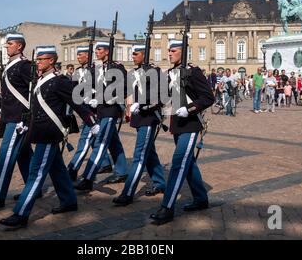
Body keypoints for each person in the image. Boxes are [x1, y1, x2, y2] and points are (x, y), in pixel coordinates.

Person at [0, 46, 99, 230]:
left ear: (51, 60)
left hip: (49, 132)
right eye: (37, 59)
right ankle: (68, 200)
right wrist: (25, 122)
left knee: (36, 173)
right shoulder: (40, 80)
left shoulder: (59, 81)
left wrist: (92, 121)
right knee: (57, 168)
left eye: (41, 59)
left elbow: (76, 101)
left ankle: (21, 213)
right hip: (40, 131)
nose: (38, 62)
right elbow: (34, 106)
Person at [150, 40, 214, 225]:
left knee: (178, 163)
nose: (169, 53)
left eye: (173, 50)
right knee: (189, 163)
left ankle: (167, 207)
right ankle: (201, 199)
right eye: (168, 50)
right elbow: (165, 98)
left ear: (183, 52)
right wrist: (145, 105)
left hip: (191, 124)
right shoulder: (170, 73)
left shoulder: (193, 72)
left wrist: (191, 108)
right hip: (177, 124)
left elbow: (208, 97)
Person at [0, 33, 35, 213]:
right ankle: (34, 188)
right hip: (11, 116)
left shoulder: (24, 65)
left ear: (19, 46)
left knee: (5, 158)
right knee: (24, 156)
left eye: (9, 44)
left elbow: (35, 91)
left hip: (19, 119)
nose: (6, 46)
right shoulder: (10, 65)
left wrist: (29, 116)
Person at [112, 44, 166, 206]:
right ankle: (159, 182)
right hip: (138, 117)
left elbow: (161, 95)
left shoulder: (155, 72)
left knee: (139, 155)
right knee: (148, 152)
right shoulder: (133, 73)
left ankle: (127, 192)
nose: (132, 56)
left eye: (136, 54)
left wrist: (143, 105)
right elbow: (128, 92)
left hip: (149, 117)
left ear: (144, 54)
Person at [74, 41, 129, 192]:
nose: (96, 52)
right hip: (99, 109)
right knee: (112, 141)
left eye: (99, 50)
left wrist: (109, 97)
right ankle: (122, 170)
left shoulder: (117, 67)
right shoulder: (97, 68)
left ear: (107, 51)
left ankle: (88, 178)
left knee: (101, 143)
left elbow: (125, 87)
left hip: (111, 109)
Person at [67, 46, 113, 181]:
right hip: (85, 109)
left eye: (80, 54)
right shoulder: (78, 71)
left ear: (87, 56)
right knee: (103, 141)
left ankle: (73, 168)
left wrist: (94, 96)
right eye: (77, 55)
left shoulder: (96, 68)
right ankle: (107, 164)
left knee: (85, 140)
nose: (78, 57)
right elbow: (74, 89)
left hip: (96, 110)